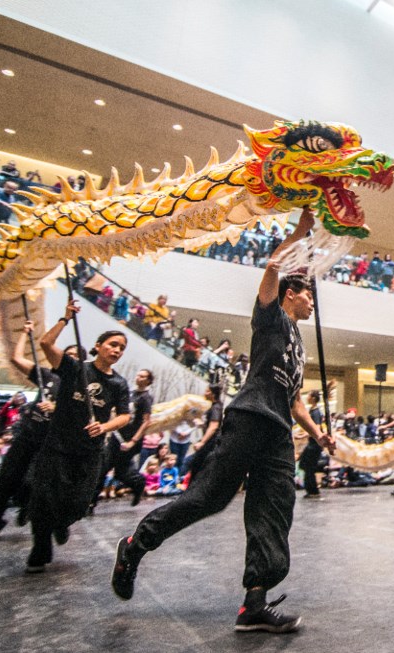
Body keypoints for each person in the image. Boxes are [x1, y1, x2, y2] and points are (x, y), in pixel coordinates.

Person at [111, 208, 335, 634]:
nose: (311, 302)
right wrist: (299, 234)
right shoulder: (270, 317)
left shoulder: (299, 345)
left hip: (278, 430)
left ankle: (254, 603)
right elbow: (272, 268)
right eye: (307, 295)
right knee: (212, 497)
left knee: (274, 509)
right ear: (291, 293)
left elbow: (295, 399)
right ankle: (135, 544)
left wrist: (317, 434)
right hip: (249, 417)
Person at [26, 301, 131, 573]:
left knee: (78, 503)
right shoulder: (74, 368)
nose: (117, 350)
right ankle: (40, 548)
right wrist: (65, 318)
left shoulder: (118, 384)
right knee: (43, 498)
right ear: (98, 346)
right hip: (57, 446)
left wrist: (105, 427)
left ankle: (61, 522)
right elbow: (46, 345)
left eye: (121, 348)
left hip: (90, 451)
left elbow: (124, 415)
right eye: (113, 344)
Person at [0, 320, 77, 540]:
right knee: (4, 482)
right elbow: (16, 359)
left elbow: (80, 417)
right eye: (69, 354)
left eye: (77, 357)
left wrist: (57, 408)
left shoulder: (81, 388)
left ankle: (30, 508)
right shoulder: (47, 376)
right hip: (27, 435)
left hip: (50, 443)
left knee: (33, 484)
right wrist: (24, 332)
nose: (72, 359)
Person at [92, 369, 155, 511]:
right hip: (117, 436)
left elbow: (147, 422)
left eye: (143, 376)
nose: (139, 377)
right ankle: (91, 502)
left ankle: (138, 483)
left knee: (120, 472)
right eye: (138, 374)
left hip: (130, 440)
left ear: (148, 380)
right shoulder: (131, 393)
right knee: (104, 467)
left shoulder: (145, 398)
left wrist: (133, 440)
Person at [298, 389, 326, 498]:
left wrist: (303, 435)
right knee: (306, 465)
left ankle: (312, 490)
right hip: (313, 444)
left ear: (313, 398)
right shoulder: (312, 411)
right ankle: (311, 489)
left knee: (308, 466)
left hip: (314, 445)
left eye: (309, 395)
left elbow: (316, 428)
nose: (307, 397)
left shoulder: (316, 413)